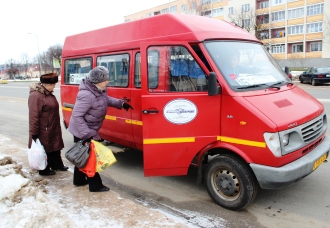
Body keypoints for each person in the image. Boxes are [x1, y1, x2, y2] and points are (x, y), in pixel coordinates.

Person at [68, 66, 133, 192]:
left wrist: (121, 103)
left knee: (83, 156)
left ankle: (79, 180)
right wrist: (86, 134)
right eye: (105, 80)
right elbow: (77, 115)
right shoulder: (86, 94)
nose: (107, 82)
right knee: (91, 158)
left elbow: (105, 100)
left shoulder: (99, 90)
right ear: (98, 81)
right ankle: (95, 185)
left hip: (88, 129)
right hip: (83, 131)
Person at [28, 73, 68, 176]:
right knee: (46, 148)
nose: (54, 86)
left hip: (52, 126)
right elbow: (34, 116)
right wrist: (34, 133)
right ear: (46, 84)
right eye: (53, 84)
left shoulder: (48, 94)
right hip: (43, 129)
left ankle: (57, 164)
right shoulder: (36, 96)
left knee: (55, 146)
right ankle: (44, 168)